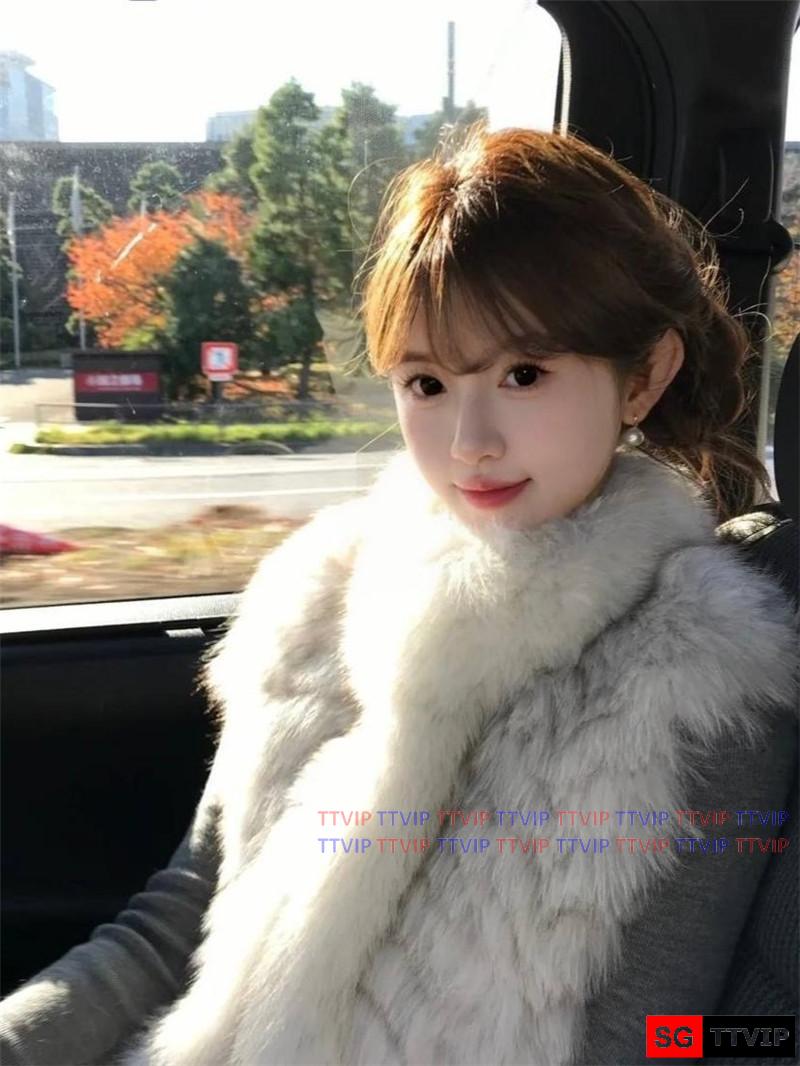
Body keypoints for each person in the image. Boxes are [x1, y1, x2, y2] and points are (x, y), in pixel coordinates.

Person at [1, 124, 797, 1066]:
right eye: (426, 383)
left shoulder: (702, 678)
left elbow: (650, 1040)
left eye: (525, 374)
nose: (469, 442)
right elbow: (175, 923)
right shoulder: (319, 596)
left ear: (644, 377)